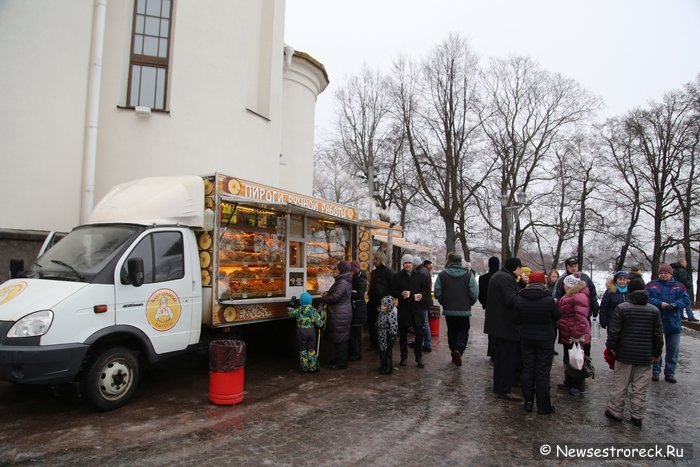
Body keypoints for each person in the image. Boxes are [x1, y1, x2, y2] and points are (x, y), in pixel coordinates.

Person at [604, 290, 663, 427]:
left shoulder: (622, 308)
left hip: (624, 354)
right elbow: (658, 335)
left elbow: (614, 331)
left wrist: (611, 347)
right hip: (645, 356)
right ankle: (637, 415)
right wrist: (656, 352)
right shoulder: (654, 311)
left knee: (620, 384)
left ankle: (615, 411)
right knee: (640, 388)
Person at [515, 271, 560, 414]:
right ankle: (543, 406)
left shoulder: (520, 298)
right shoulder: (548, 300)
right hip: (545, 339)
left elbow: (516, 319)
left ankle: (528, 401)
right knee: (542, 371)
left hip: (526, 338)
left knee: (528, 369)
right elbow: (557, 316)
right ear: (543, 283)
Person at [485, 257, 526, 401]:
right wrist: (524, 290)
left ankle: (500, 387)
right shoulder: (506, 279)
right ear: (516, 267)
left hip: (500, 326)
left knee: (502, 358)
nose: (521, 271)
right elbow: (511, 300)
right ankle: (504, 389)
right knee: (506, 360)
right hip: (505, 327)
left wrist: (520, 283)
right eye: (520, 268)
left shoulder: (501, 276)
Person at [646, 263, 691, 383]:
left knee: (673, 350)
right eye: (661, 273)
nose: (663, 275)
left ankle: (670, 372)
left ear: (670, 274)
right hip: (657, 321)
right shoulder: (652, 285)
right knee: (656, 348)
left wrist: (675, 305)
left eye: (666, 273)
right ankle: (655, 371)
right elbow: (647, 298)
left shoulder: (679, 286)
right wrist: (660, 303)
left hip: (673, 321)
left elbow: (685, 299)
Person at [434, 252, 479, 367]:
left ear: (450, 261)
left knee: (452, 331)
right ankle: (458, 350)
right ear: (460, 262)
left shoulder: (442, 275)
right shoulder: (468, 275)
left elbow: (437, 292)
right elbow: (474, 293)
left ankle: (453, 351)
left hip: (449, 310)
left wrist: (444, 302)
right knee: (463, 330)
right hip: (464, 310)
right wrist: (469, 303)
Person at [391, 254, 431, 368]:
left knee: (419, 334)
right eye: (405, 263)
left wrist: (421, 295)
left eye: (409, 263)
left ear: (413, 264)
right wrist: (401, 294)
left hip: (417, 309)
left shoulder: (421, 276)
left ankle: (419, 358)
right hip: (404, 309)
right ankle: (404, 357)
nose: (408, 265)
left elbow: (426, 291)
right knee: (403, 334)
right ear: (402, 264)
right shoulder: (397, 276)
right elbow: (393, 291)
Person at [557, 273, 591, 396]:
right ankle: (569, 382)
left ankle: (578, 386)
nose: (564, 286)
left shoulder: (578, 297)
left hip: (575, 334)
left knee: (577, 359)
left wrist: (576, 334)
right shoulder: (571, 295)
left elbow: (581, 319)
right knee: (569, 357)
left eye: (565, 284)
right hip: (569, 332)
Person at [319, 261, 353, 370]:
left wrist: (323, 297)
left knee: (340, 340)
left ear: (341, 270)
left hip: (339, 314)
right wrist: (328, 293)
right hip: (341, 312)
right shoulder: (343, 281)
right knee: (340, 338)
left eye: (337, 268)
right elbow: (337, 295)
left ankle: (341, 363)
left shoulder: (342, 282)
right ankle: (339, 360)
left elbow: (335, 298)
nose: (335, 270)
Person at [287, 292, 324, 372]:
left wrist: (291, 304)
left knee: (302, 349)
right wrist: (320, 314)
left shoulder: (299, 310)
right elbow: (320, 323)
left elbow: (290, 313)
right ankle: (313, 367)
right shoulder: (313, 311)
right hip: (311, 332)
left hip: (301, 332)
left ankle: (305, 368)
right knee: (311, 349)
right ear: (310, 301)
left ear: (301, 301)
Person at [367, 252, 394, 350]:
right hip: (372, 302)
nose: (374, 261)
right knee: (371, 323)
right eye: (373, 259)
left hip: (383, 303)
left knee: (381, 325)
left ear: (381, 260)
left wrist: (388, 300)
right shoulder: (373, 273)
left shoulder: (388, 272)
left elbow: (392, 287)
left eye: (376, 259)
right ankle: (373, 344)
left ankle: (381, 344)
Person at [479, 256, 500, 360]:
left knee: (491, 330)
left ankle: (492, 351)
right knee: (501, 329)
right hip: (501, 307)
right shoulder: (502, 277)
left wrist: (484, 303)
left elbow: (480, 294)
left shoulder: (483, 278)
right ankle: (499, 351)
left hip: (489, 307)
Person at [348, 260, 368, 361]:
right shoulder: (355, 277)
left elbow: (360, 294)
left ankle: (356, 354)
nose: (350, 272)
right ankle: (355, 353)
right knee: (355, 333)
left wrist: (349, 293)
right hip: (356, 309)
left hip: (358, 310)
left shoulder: (360, 279)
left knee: (355, 334)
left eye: (351, 270)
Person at [413, 256, 433, 352]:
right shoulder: (424, 270)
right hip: (426, 300)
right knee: (424, 323)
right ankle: (423, 342)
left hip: (423, 301)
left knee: (424, 323)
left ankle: (427, 344)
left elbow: (422, 288)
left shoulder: (420, 272)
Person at [376, 295, 399, 374]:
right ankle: (383, 366)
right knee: (382, 351)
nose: (382, 306)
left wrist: (392, 336)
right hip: (381, 335)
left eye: (384, 305)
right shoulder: (382, 312)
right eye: (382, 304)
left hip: (387, 336)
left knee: (387, 352)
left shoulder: (391, 314)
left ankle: (388, 368)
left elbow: (393, 326)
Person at [671, 257, 697, 322]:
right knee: (687, 302)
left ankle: (681, 315)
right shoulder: (682, 270)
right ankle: (690, 316)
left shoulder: (675, 269)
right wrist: (689, 285)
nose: (686, 263)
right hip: (683, 288)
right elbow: (684, 280)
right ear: (682, 263)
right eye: (685, 262)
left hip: (677, 288)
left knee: (681, 301)